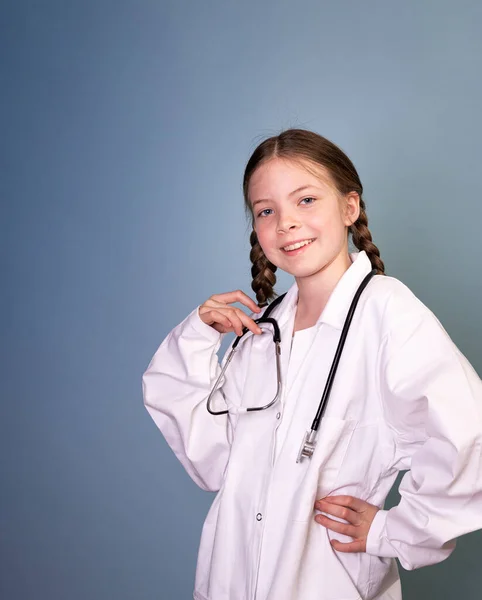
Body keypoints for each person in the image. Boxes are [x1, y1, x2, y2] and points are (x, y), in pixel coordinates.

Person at [142, 129, 482, 600]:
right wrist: (196, 336)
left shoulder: (387, 312)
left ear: (350, 207)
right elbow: (213, 463)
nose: (285, 223)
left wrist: (391, 531)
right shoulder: (260, 334)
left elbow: (469, 435)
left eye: (305, 200)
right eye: (266, 211)